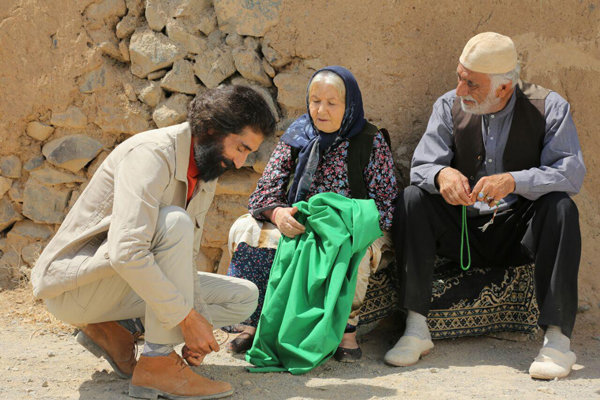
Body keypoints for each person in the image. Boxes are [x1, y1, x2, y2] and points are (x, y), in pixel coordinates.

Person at [31, 85, 276, 399]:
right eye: (240, 148)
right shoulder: (151, 154)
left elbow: (184, 257)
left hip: (120, 287)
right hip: (77, 290)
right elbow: (127, 252)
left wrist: (196, 325)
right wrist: (185, 319)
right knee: (174, 221)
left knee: (244, 297)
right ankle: (156, 364)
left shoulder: (205, 170)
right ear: (213, 130)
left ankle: (118, 329)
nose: (241, 163)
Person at [386, 32, 586, 380]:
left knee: (561, 208)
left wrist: (514, 181)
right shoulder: (449, 105)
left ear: (504, 88)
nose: (461, 90)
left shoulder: (549, 106)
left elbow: (570, 174)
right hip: (462, 228)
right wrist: (441, 175)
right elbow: (421, 166)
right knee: (412, 199)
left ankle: (557, 341)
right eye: (459, 77)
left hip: (518, 230)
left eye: (471, 84)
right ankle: (416, 329)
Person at [226, 65, 398, 362]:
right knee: (247, 229)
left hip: (348, 226)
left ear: (350, 106)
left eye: (332, 103)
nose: (321, 110)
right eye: (315, 100)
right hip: (298, 222)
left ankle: (347, 331)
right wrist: (278, 213)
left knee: (354, 251)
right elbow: (265, 189)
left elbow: (386, 204)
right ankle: (254, 323)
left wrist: (338, 220)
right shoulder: (297, 136)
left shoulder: (370, 141)